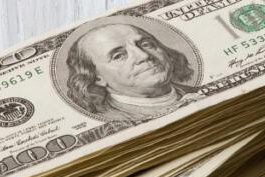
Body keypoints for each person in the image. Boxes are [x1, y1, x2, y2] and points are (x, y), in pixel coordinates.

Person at [66, 22, 198, 122]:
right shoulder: (111, 119)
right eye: (118, 56)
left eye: (146, 44)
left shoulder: (199, 92)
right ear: (97, 78)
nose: (143, 56)